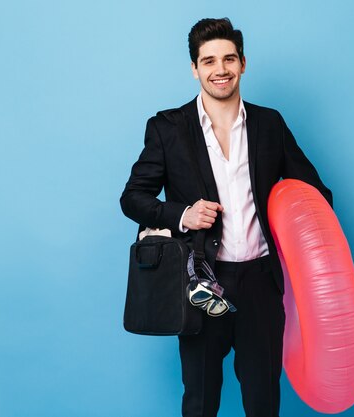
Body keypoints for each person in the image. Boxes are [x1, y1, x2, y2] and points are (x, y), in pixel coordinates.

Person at [120, 17, 332, 417]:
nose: (221, 70)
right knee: (200, 402)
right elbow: (132, 198)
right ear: (195, 68)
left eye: (229, 59)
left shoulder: (270, 124)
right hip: (200, 283)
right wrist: (182, 213)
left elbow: (317, 196)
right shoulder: (167, 128)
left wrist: (292, 226)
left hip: (260, 285)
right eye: (209, 61)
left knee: (263, 402)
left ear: (243, 64)